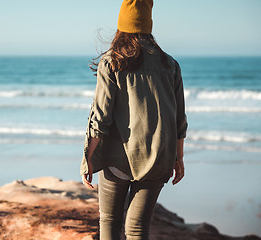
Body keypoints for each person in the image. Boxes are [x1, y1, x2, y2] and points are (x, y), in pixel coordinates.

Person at [80, 0, 188, 239]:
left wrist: (87, 159)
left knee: (109, 221)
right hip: (159, 158)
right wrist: (179, 158)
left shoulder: (113, 61)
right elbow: (180, 120)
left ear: (121, 26)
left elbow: (100, 117)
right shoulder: (170, 64)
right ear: (148, 24)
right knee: (138, 228)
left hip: (116, 160)